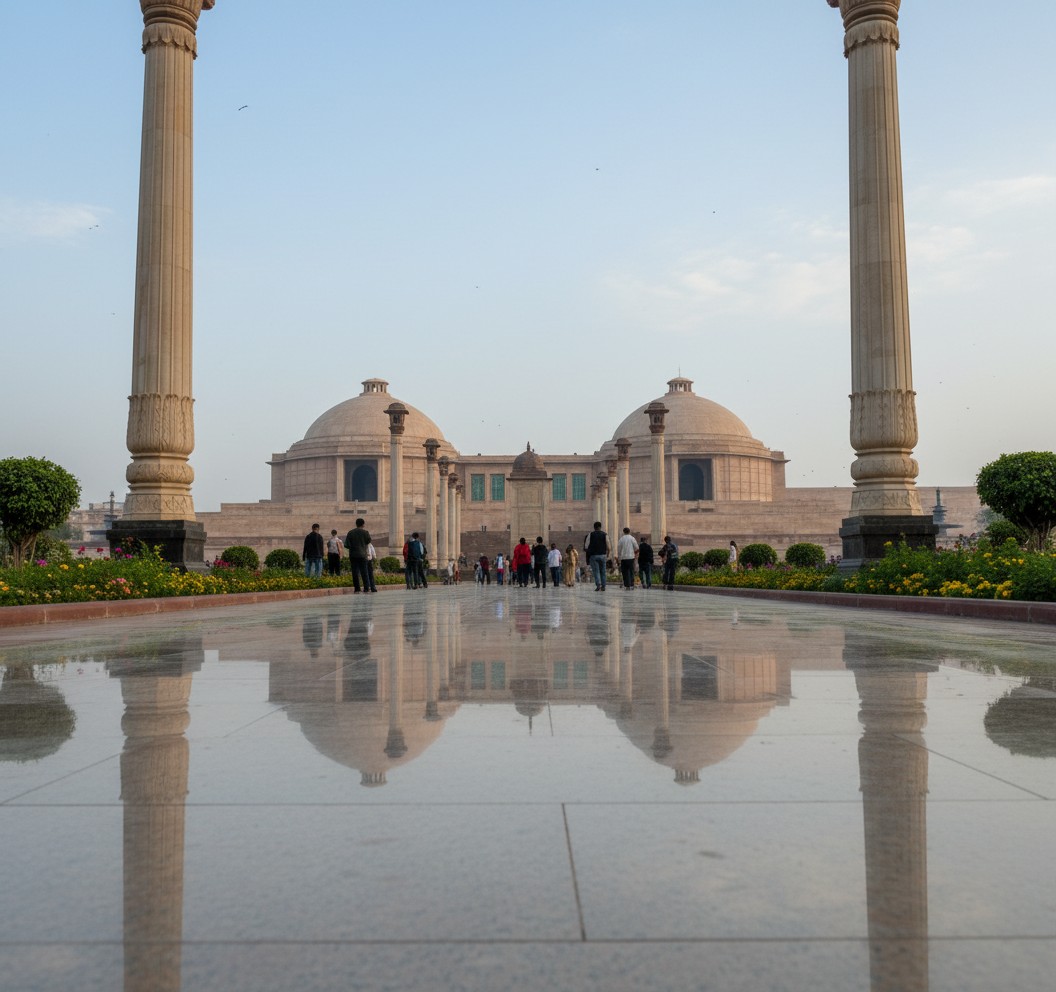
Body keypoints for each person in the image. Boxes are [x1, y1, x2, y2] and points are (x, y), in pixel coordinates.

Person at [344, 518, 372, 593]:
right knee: (364, 572)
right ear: (363, 524)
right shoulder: (365, 532)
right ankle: (366, 588)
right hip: (363, 555)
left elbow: (346, 545)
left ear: (356, 524)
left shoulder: (350, 533)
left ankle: (357, 589)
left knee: (355, 572)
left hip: (353, 555)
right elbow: (368, 541)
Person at [583, 521, 610, 591]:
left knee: (596, 571)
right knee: (603, 571)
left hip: (594, 555)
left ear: (594, 527)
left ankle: (598, 585)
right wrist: (608, 554)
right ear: (600, 527)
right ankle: (603, 586)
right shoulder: (605, 535)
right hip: (603, 555)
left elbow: (586, 546)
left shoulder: (590, 534)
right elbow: (608, 546)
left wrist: (589, 552)